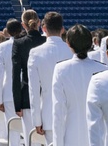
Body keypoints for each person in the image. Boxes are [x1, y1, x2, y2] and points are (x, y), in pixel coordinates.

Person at [51, 24, 104, 146]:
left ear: (68, 43)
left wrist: (57, 142)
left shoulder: (61, 69)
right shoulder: (102, 68)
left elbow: (58, 110)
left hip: (71, 135)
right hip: (98, 135)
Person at [28, 11, 74, 142]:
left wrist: (36, 119)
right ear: (62, 29)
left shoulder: (35, 53)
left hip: (48, 114)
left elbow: (34, 90)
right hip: (72, 114)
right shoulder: (71, 50)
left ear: (44, 28)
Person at [12, 9, 46, 134]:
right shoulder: (46, 41)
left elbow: (15, 75)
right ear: (39, 22)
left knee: (31, 140)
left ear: (23, 25)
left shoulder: (19, 43)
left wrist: (17, 104)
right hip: (48, 96)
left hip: (26, 96)